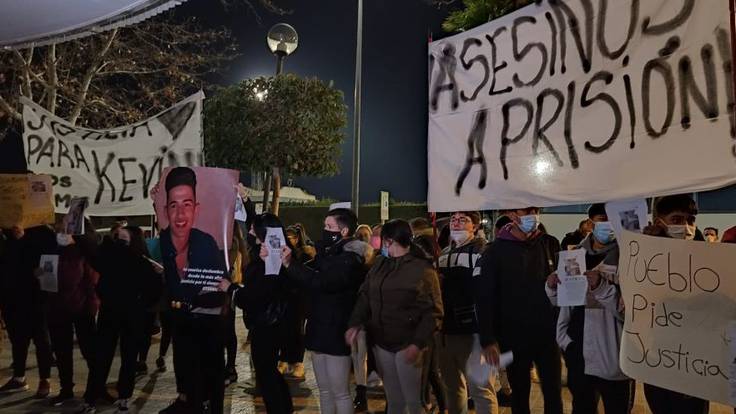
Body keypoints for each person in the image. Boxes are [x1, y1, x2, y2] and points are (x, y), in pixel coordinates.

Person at [347, 219, 443, 414]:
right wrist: (355, 323)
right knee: (394, 399)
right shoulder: (380, 263)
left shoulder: (422, 270)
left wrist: (417, 343)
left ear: (389, 241)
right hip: (382, 342)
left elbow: (434, 312)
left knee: (413, 401)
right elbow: (365, 294)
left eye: (381, 240)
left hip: (408, 343)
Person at [281, 208, 371, 414]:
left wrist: (290, 264)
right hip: (318, 326)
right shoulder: (327, 254)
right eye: (324, 226)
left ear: (344, 230)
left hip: (336, 328)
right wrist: (288, 261)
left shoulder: (351, 259)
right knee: (324, 390)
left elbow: (323, 281)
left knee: (340, 391)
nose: (325, 231)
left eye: (329, 227)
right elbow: (307, 273)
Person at [473, 207, 563, 414]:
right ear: (513, 215)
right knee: (520, 394)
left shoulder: (549, 243)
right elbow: (485, 297)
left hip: (547, 334)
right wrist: (488, 339)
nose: (534, 215)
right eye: (527, 210)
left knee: (553, 393)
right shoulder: (494, 251)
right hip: (512, 336)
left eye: (536, 210)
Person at [156, 167, 230, 414]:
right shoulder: (164, 241)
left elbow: (221, 285)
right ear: (166, 210)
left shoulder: (207, 243)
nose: (180, 214)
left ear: (196, 209)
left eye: (186, 204)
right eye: (173, 205)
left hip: (208, 323)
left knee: (210, 375)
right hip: (181, 321)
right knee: (186, 373)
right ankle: (188, 401)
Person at [547, 203, 633, 414]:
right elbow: (564, 304)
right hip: (579, 352)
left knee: (617, 408)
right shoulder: (574, 255)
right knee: (582, 407)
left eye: (613, 218)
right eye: (603, 218)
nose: (608, 224)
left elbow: (631, 313)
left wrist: (602, 287)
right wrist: (551, 288)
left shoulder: (631, 257)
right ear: (591, 223)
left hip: (616, 355)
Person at [77, 226, 163, 414]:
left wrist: (157, 277)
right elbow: (93, 253)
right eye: (118, 236)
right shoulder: (112, 257)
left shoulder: (142, 262)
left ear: (134, 240)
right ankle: (92, 398)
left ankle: (123, 397)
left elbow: (154, 292)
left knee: (127, 358)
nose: (120, 239)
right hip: (112, 313)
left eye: (124, 237)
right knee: (103, 357)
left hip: (130, 315)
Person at [642, 195, 709, 414]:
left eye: (690, 220)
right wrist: (650, 247)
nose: (686, 227)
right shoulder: (643, 256)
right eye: (677, 219)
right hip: (657, 359)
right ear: (659, 220)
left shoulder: (708, 260)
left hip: (697, 364)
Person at [223, 213, 293, 414]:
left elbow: (254, 296)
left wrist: (231, 288)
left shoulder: (271, 261)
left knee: (266, 375)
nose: (250, 232)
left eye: (254, 229)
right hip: (270, 324)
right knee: (269, 373)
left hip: (267, 325)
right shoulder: (266, 257)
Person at [438, 211, 498, 414]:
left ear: (475, 226)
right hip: (448, 329)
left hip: (473, 329)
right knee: (452, 387)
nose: (456, 222)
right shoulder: (444, 252)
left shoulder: (483, 250)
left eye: (463, 219)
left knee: (480, 389)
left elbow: (484, 289)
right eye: (453, 219)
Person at [46, 223, 100, 406]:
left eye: (66, 231)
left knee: (90, 352)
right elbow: (43, 276)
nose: (61, 234)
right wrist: (38, 273)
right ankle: (66, 390)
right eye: (60, 230)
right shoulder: (53, 251)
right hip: (57, 309)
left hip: (81, 310)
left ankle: (94, 390)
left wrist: (92, 306)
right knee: (62, 353)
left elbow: (83, 281)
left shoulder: (82, 254)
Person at [0, 225, 55, 398]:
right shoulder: (5, 231)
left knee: (41, 339)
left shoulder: (43, 232)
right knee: (18, 338)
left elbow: (49, 263)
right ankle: (19, 376)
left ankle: (45, 379)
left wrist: (22, 240)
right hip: (11, 296)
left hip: (37, 295)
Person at [279, 223, 316, 379]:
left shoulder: (305, 254)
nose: (288, 241)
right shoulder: (283, 252)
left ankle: (297, 362)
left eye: (291, 238)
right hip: (285, 297)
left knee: (297, 330)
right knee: (284, 330)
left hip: (299, 298)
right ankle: (284, 359)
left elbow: (305, 275)